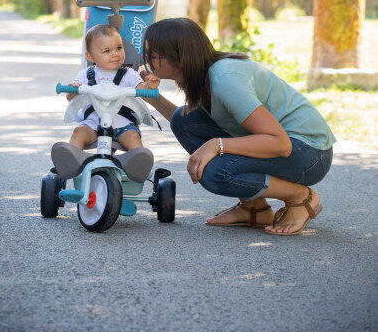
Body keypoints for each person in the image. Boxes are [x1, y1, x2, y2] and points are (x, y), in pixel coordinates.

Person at [141, 18, 335, 237]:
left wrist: (216, 145)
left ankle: (300, 198)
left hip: (309, 153)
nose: (146, 60)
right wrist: (153, 97)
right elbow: (189, 125)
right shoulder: (201, 75)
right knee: (182, 119)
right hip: (289, 145)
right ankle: (254, 208)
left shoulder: (225, 80)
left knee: (215, 172)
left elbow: (281, 144)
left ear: (179, 61)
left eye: (154, 55)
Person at [65, 23, 160, 152]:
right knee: (78, 132)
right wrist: (73, 90)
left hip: (123, 126)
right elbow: (70, 98)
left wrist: (150, 86)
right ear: (90, 56)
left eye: (119, 48)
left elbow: (142, 90)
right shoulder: (86, 74)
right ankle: (71, 160)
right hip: (93, 125)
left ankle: (138, 164)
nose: (115, 54)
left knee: (133, 137)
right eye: (107, 51)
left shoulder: (128, 73)